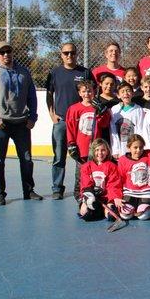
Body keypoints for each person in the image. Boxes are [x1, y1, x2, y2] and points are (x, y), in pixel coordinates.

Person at [0, 41, 42, 205]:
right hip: (0, 124)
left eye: (9, 51)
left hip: (22, 124)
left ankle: (29, 190)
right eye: (2, 52)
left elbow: (32, 97)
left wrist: (32, 117)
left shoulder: (23, 72)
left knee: (26, 159)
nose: (6, 54)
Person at [45, 42, 91, 199]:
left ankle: (86, 186)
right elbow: (49, 94)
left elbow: (92, 94)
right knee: (59, 156)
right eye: (66, 53)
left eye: (72, 52)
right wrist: (52, 114)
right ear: (61, 55)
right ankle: (57, 188)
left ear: (77, 54)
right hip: (62, 121)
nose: (69, 55)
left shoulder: (85, 72)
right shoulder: (55, 73)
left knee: (84, 155)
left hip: (83, 122)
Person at [66, 80, 111, 200]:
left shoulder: (96, 107)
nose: (87, 94)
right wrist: (71, 144)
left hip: (96, 149)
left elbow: (104, 124)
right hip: (82, 148)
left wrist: (103, 112)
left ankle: (98, 195)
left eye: (90, 91)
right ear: (80, 93)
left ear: (94, 92)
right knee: (81, 174)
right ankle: (80, 196)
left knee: (96, 173)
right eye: (84, 91)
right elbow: (70, 128)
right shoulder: (74, 109)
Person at [117, 134, 150, 220]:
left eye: (141, 147)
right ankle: (134, 209)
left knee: (142, 216)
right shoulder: (122, 160)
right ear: (129, 147)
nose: (138, 150)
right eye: (135, 147)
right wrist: (118, 197)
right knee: (125, 215)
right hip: (130, 192)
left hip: (147, 192)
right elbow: (119, 180)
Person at [78, 139, 122, 222]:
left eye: (103, 150)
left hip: (106, 198)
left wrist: (113, 199)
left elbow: (114, 185)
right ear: (93, 151)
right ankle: (96, 211)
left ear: (107, 151)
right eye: (97, 150)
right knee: (85, 213)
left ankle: (104, 211)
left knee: (111, 216)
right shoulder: (86, 166)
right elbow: (86, 184)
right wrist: (89, 197)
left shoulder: (112, 166)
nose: (100, 153)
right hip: (93, 198)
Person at [110, 82, 146, 159]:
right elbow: (113, 131)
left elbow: (140, 129)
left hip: (134, 149)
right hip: (120, 147)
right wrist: (115, 149)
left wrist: (138, 147)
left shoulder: (138, 109)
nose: (125, 93)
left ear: (132, 93)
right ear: (118, 95)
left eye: (128, 90)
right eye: (122, 91)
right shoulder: (115, 110)